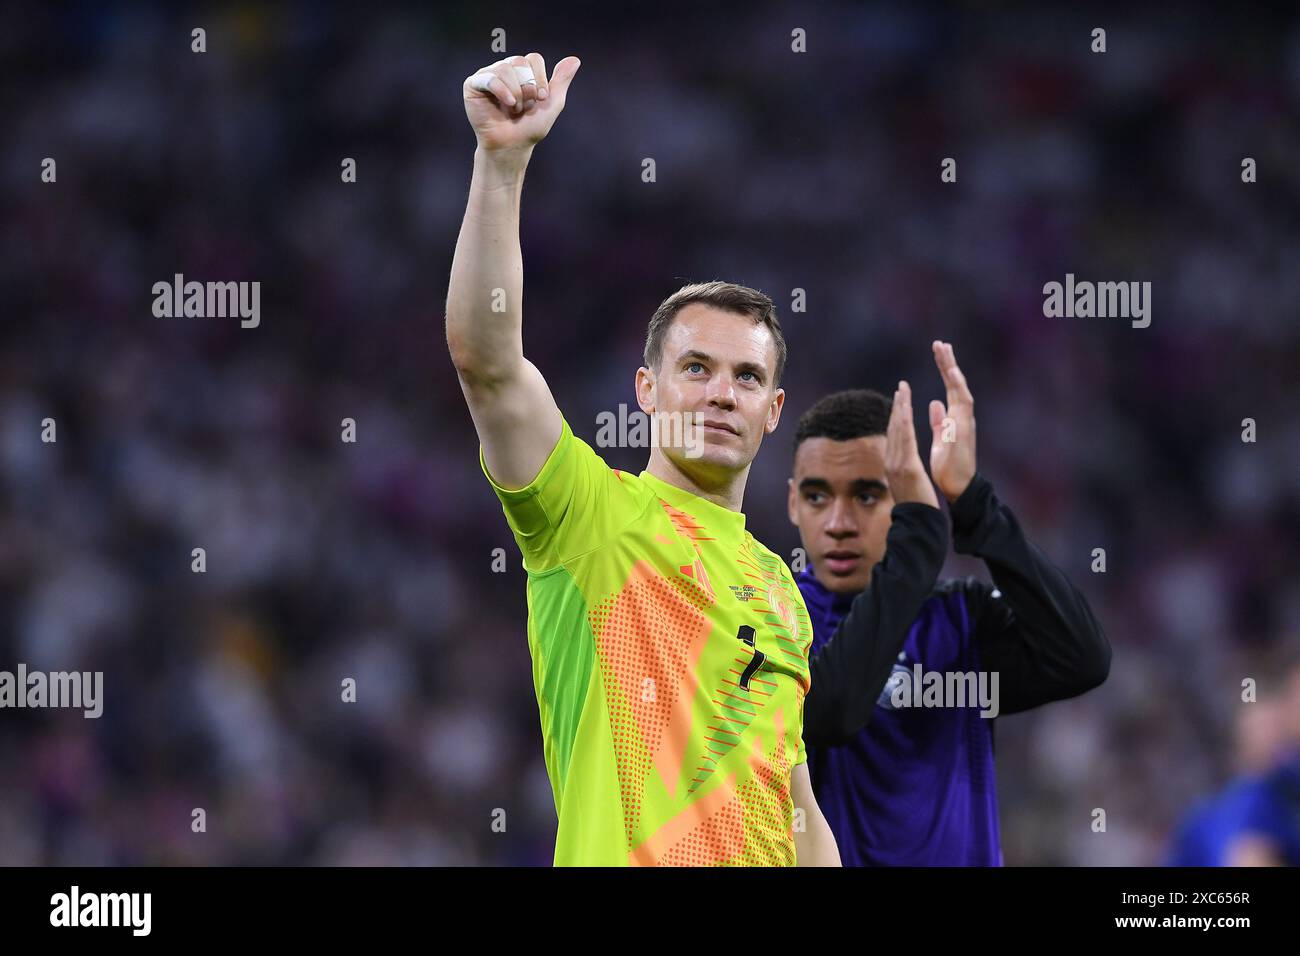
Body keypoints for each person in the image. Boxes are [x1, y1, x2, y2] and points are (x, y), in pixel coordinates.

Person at [447, 52, 839, 865]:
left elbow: (792, 799)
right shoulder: (589, 516)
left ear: (773, 413)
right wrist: (502, 164)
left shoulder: (782, 592)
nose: (721, 394)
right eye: (696, 369)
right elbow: (488, 363)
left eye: (747, 378)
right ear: (648, 391)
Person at [792, 342, 1111, 865]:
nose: (839, 523)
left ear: (904, 498)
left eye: (868, 495)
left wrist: (971, 501)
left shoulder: (958, 620)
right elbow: (832, 713)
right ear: (791, 501)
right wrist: (919, 534)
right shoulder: (770, 614)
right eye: (818, 496)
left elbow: (1081, 658)